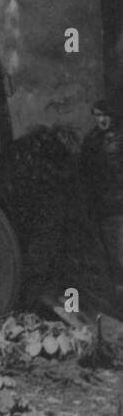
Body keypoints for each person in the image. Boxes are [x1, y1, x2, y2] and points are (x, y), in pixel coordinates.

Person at [80, 98, 123, 293]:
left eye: (105, 115)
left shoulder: (121, 137)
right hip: (101, 206)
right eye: (97, 115)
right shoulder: (91, 140)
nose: (102, 119)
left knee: (119, 255)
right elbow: (84, 173)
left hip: (118, 206)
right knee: (106, 257)